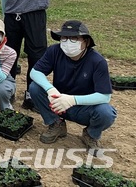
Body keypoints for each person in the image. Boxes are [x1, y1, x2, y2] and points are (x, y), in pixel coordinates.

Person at [29, 21, 116, 151]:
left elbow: (105, 96)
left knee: (106, 113)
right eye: (64, 38)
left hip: (85, 108)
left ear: (86, 41)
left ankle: (91, 134)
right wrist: (50, 89)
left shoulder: (97, 61)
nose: (68, 42)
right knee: (35, 88)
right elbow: (35, 72)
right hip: (58, 103)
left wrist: (72, 100)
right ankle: (56, 123)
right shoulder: (55, 51)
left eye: (74, 38)